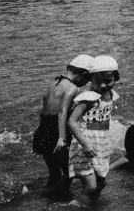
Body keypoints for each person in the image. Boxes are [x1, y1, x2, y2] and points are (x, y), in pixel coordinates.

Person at [33, 54, 92, 195]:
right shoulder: (71, 88)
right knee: (69, 171)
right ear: (84, 75)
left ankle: (48, 196)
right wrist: (62, 138)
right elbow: (61, 112)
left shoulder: (53, 83)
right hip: (56, 132)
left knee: (53, 170)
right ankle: (52, 196)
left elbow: (46, 109)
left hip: (42, 130)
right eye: (87, 80)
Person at [67, 55, 119, 200]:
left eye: (108, 81)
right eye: (98, 81)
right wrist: (85, 143)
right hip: (85, 145)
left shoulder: (110, 94)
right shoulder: (88, 97)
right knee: (90, 187)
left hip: (100, 144)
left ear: (116, 78)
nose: (103, 86)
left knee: (102, 181)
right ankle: (81, 205)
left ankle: (90, 204)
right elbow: (72, 121)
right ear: (90, 79)